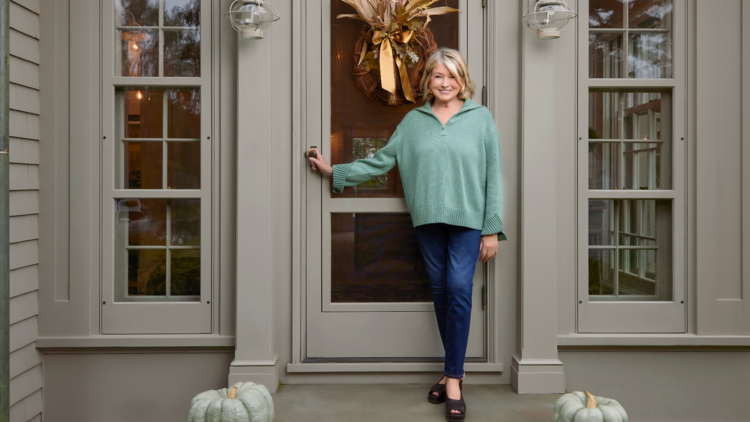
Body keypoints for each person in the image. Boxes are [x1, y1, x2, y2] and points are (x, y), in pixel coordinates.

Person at [307, 47, 507, 422]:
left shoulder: (481, 119)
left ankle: (453, 380)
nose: (446, 83)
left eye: (453, 75)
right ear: (428, 81)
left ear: (464, 80)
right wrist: (335, 172)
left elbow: (493, 175)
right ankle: (452, 373)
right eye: (438, 76)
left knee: (461, 290)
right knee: (441, 291)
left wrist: (491, 229)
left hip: (468, 222)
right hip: (428, 220)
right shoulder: (414, 121)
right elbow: (381, 160)